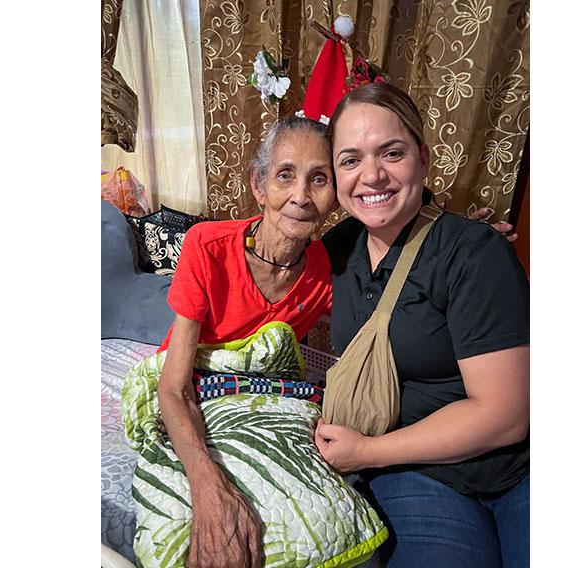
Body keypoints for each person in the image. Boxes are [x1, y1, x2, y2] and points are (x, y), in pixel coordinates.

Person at [315, 82, 530, 568]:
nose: (371, 176)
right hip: (416, 475)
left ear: (423, 159)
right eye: (350, 160)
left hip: (515, 470)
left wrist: (366, 452)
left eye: (391, 153)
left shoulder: (473, 253)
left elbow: (504, 415)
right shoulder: (336, 250)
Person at [155, 115, 337, 568]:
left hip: (256, 397)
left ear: (336, 195)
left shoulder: (325, 271)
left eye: (319, 179)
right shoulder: (206, 245)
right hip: (190, 392)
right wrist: (208, 487)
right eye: (285, 175)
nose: (300, 196)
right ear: (259, 184)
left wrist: (457, 239)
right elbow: (172, 387)